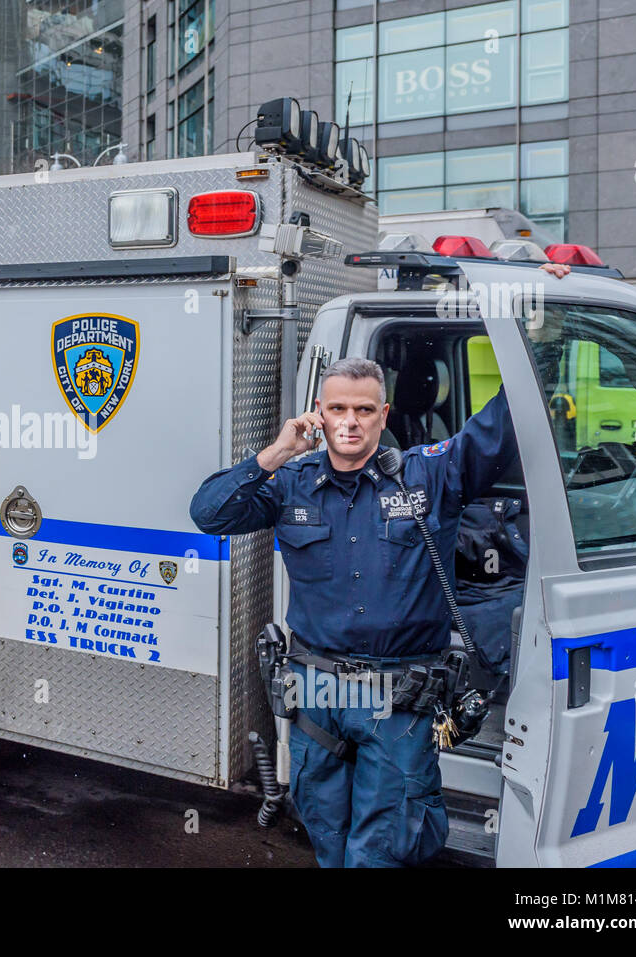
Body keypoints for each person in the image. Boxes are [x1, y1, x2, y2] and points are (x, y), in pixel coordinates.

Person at [190, 262, 569, 867]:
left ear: (383, 415)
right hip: (315, 693)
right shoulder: (290, 483)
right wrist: (276, 451)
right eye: (337, 409)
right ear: (319, 413)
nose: (349, 422)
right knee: (327, 834)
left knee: (384, 845)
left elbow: (506, 424)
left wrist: (546, 318)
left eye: (364, 411)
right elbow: (208, 513)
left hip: (399, 701)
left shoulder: (430, 474)